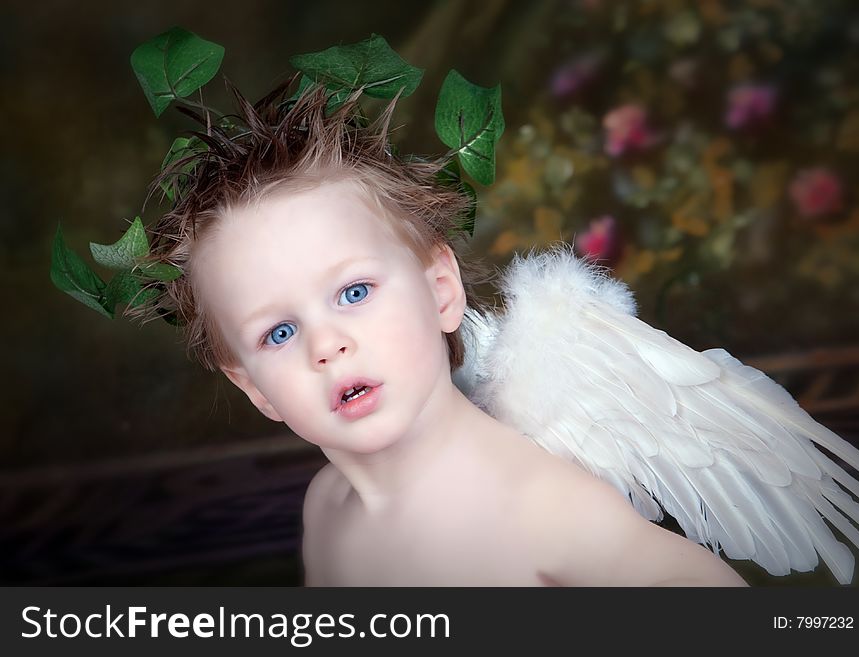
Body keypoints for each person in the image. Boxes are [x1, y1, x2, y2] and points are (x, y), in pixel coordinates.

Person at [136, 84, 747, 586]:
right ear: (253, 388)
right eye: (278, 332)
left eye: (354, 293)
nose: (326, 346)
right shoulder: (326, 507)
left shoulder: (537, 508)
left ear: (440, 291)